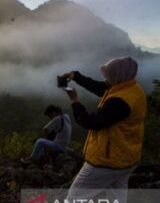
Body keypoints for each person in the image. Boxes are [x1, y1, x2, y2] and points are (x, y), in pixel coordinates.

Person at [62, 57, 147, 203]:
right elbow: (101, 88)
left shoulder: (120, 101)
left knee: (75, 197)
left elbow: (90, 122)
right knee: (117, 198)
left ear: (118, 77)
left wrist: (75, 101)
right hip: (126, 157)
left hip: (107, 161)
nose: (105, 79)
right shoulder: (131, 88)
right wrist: (76, 76)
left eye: (108, 76)